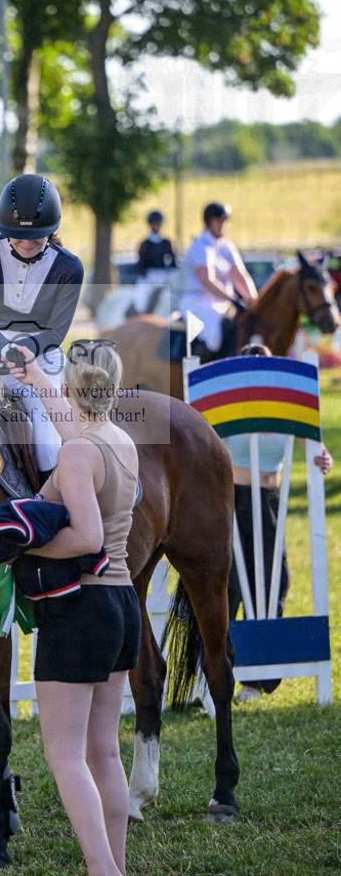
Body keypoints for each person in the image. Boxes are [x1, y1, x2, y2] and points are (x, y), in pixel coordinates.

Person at [7, 339, 141, 876]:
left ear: (72, 388)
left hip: (81, 608)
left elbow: (86, 538)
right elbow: (76, 433)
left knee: (64, 755)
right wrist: (37, 376)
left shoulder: (77, 452)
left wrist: (18, 543)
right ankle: (116, 868)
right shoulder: (116, 440)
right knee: (103, 751)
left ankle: (101, 870)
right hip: (122, 603)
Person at [224, 342, 333, 701]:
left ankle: (257, 678)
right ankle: (214, 672)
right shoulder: (228, 405)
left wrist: (323, 459)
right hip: (230, 500)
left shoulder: (284, 406)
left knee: (274, 581)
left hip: (270, 500)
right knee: (229, 587)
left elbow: (314, 445)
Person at [0, 173, 84, 482]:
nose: (27, 242)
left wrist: (25, 353)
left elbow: (56, 333)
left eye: (36, 236)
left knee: (47, 443)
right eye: (17, 235)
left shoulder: (69, 267)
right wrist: (5, 349)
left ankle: (50, 506)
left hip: (42, 361)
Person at [179, 201, 257, 358]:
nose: (222, 225)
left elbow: (240, 276)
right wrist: (234, 299)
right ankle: (203, 366)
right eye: (218, 221)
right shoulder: (200, 246)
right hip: (198, 301)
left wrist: (254, 300)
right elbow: (208, 281)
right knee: (213, 337)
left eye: (224, 221)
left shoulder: (227, 246)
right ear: (209, 222)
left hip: (222, 302)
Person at [133, 210, 176, 313]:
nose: (157, 225)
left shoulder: (166, 243)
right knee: (140, 299)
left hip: (163, 275)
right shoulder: (145, 244)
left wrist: (172, 273)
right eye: (154, 223)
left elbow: (173, 261)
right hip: (149, 276)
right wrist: (145, 275)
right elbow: (141, 264)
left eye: (158, 223)